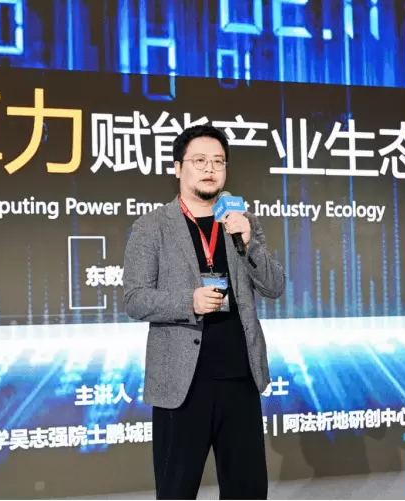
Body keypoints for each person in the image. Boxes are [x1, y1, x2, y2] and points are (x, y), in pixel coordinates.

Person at [122, 124, 286, 500]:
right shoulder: (151, 227)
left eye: (218, 161)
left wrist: (248, 243)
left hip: (240, 378)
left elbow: (274, 287)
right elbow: (135, 299)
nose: (210, 168)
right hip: (182, 384)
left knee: (247, 491)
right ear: (178, 168)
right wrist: (189, 302)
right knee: (177, 492)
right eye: (199, 160)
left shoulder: (241, 222)